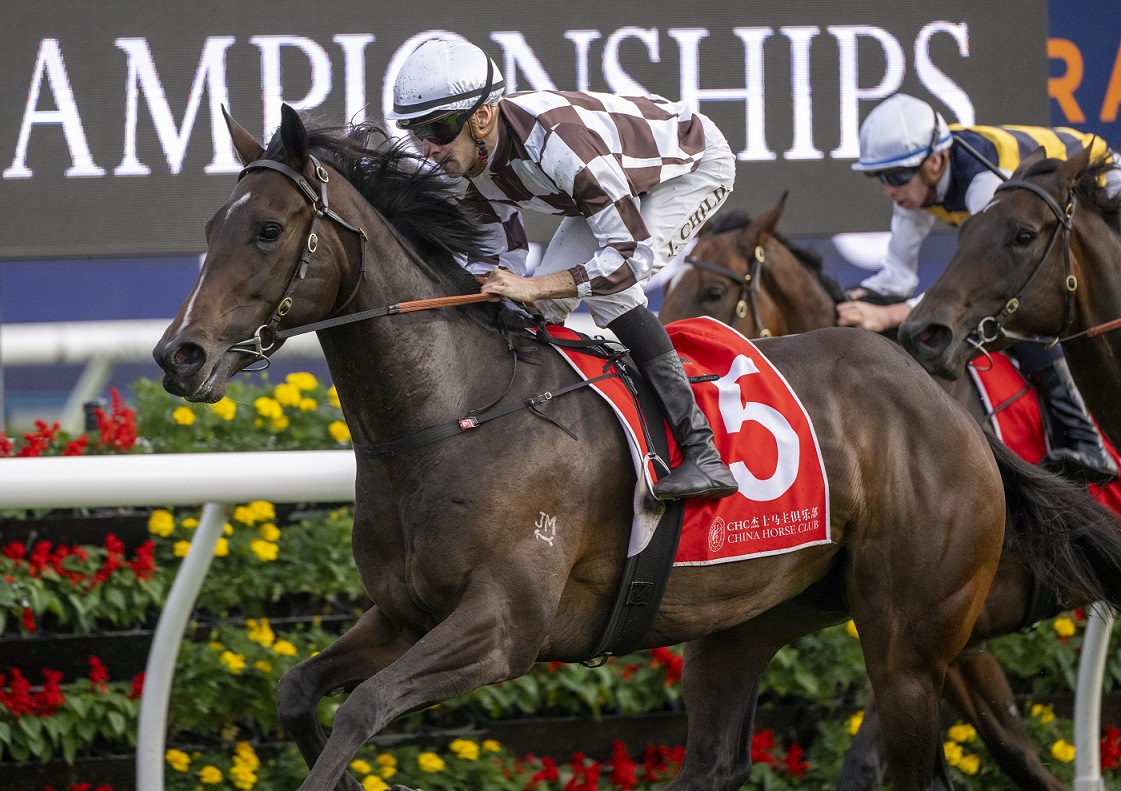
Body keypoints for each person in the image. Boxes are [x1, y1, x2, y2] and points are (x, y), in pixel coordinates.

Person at [386, 37, 739, 500]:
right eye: (417, 132)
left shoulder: (557, 143)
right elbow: (497, 261)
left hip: (691, 166)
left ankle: (704, 454)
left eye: (439, 128)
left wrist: (536, 286)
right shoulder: (468, 161)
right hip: (613, 180)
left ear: (482, 116)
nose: (428, 148)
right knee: (533, 310)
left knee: (609, 293)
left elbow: (629, 254)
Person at [840, 92, 1118, 485]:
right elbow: (896, 279)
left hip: (1100, 177)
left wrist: (886, 314)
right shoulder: (920, 187)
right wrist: (852, 301)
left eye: (896, 176)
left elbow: (991, 277)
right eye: (880, 177)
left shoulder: (983, 184)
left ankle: (1084, 438)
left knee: (1017, 300)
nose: (889, 190)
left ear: (934, 162)